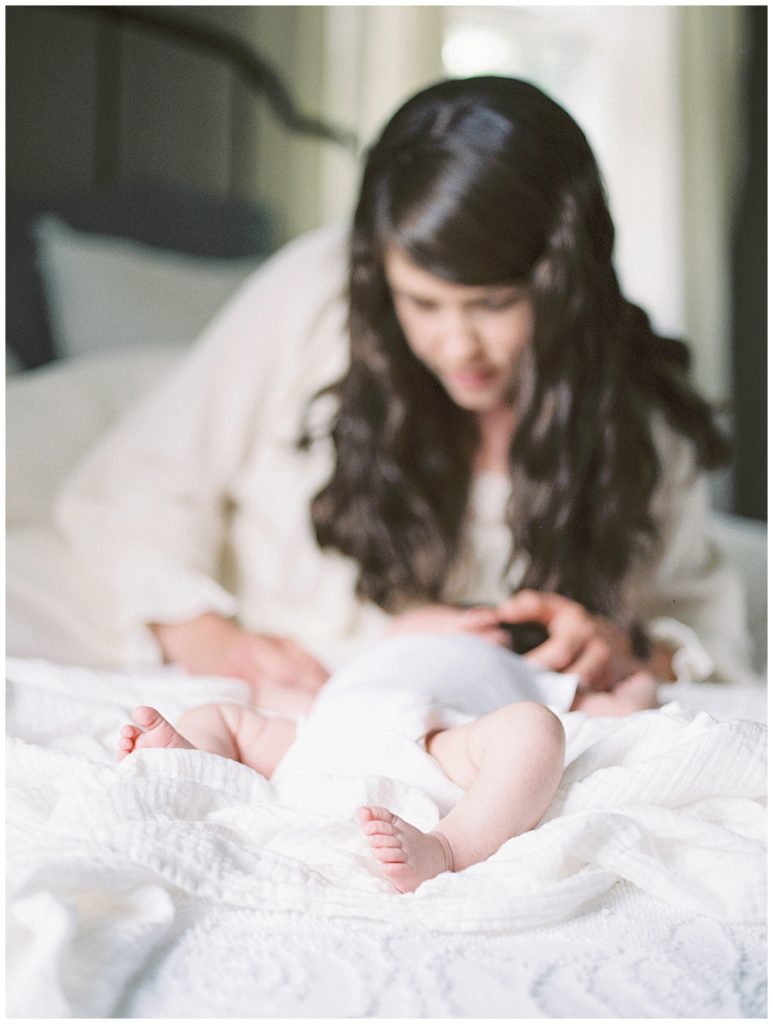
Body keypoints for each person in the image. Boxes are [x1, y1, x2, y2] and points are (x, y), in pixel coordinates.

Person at [56, 76, 756, 716]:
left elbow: (704, 629)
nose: (457, 347)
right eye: (422, 302)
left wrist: (619, 646)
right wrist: (222, 648)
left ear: (564, 284)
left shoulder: (638, 411)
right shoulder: (318, 296)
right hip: (304, 705)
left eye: (492, 303)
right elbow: (120, 496)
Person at [115, 657, 658, 893]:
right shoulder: (361, 659)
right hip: (317, 734)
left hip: (434, 742)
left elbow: (627, 697)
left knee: (534, 728)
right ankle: (195, 764)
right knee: (218, 714)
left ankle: (448, 849)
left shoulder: (539, 673)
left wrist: (638, 682)